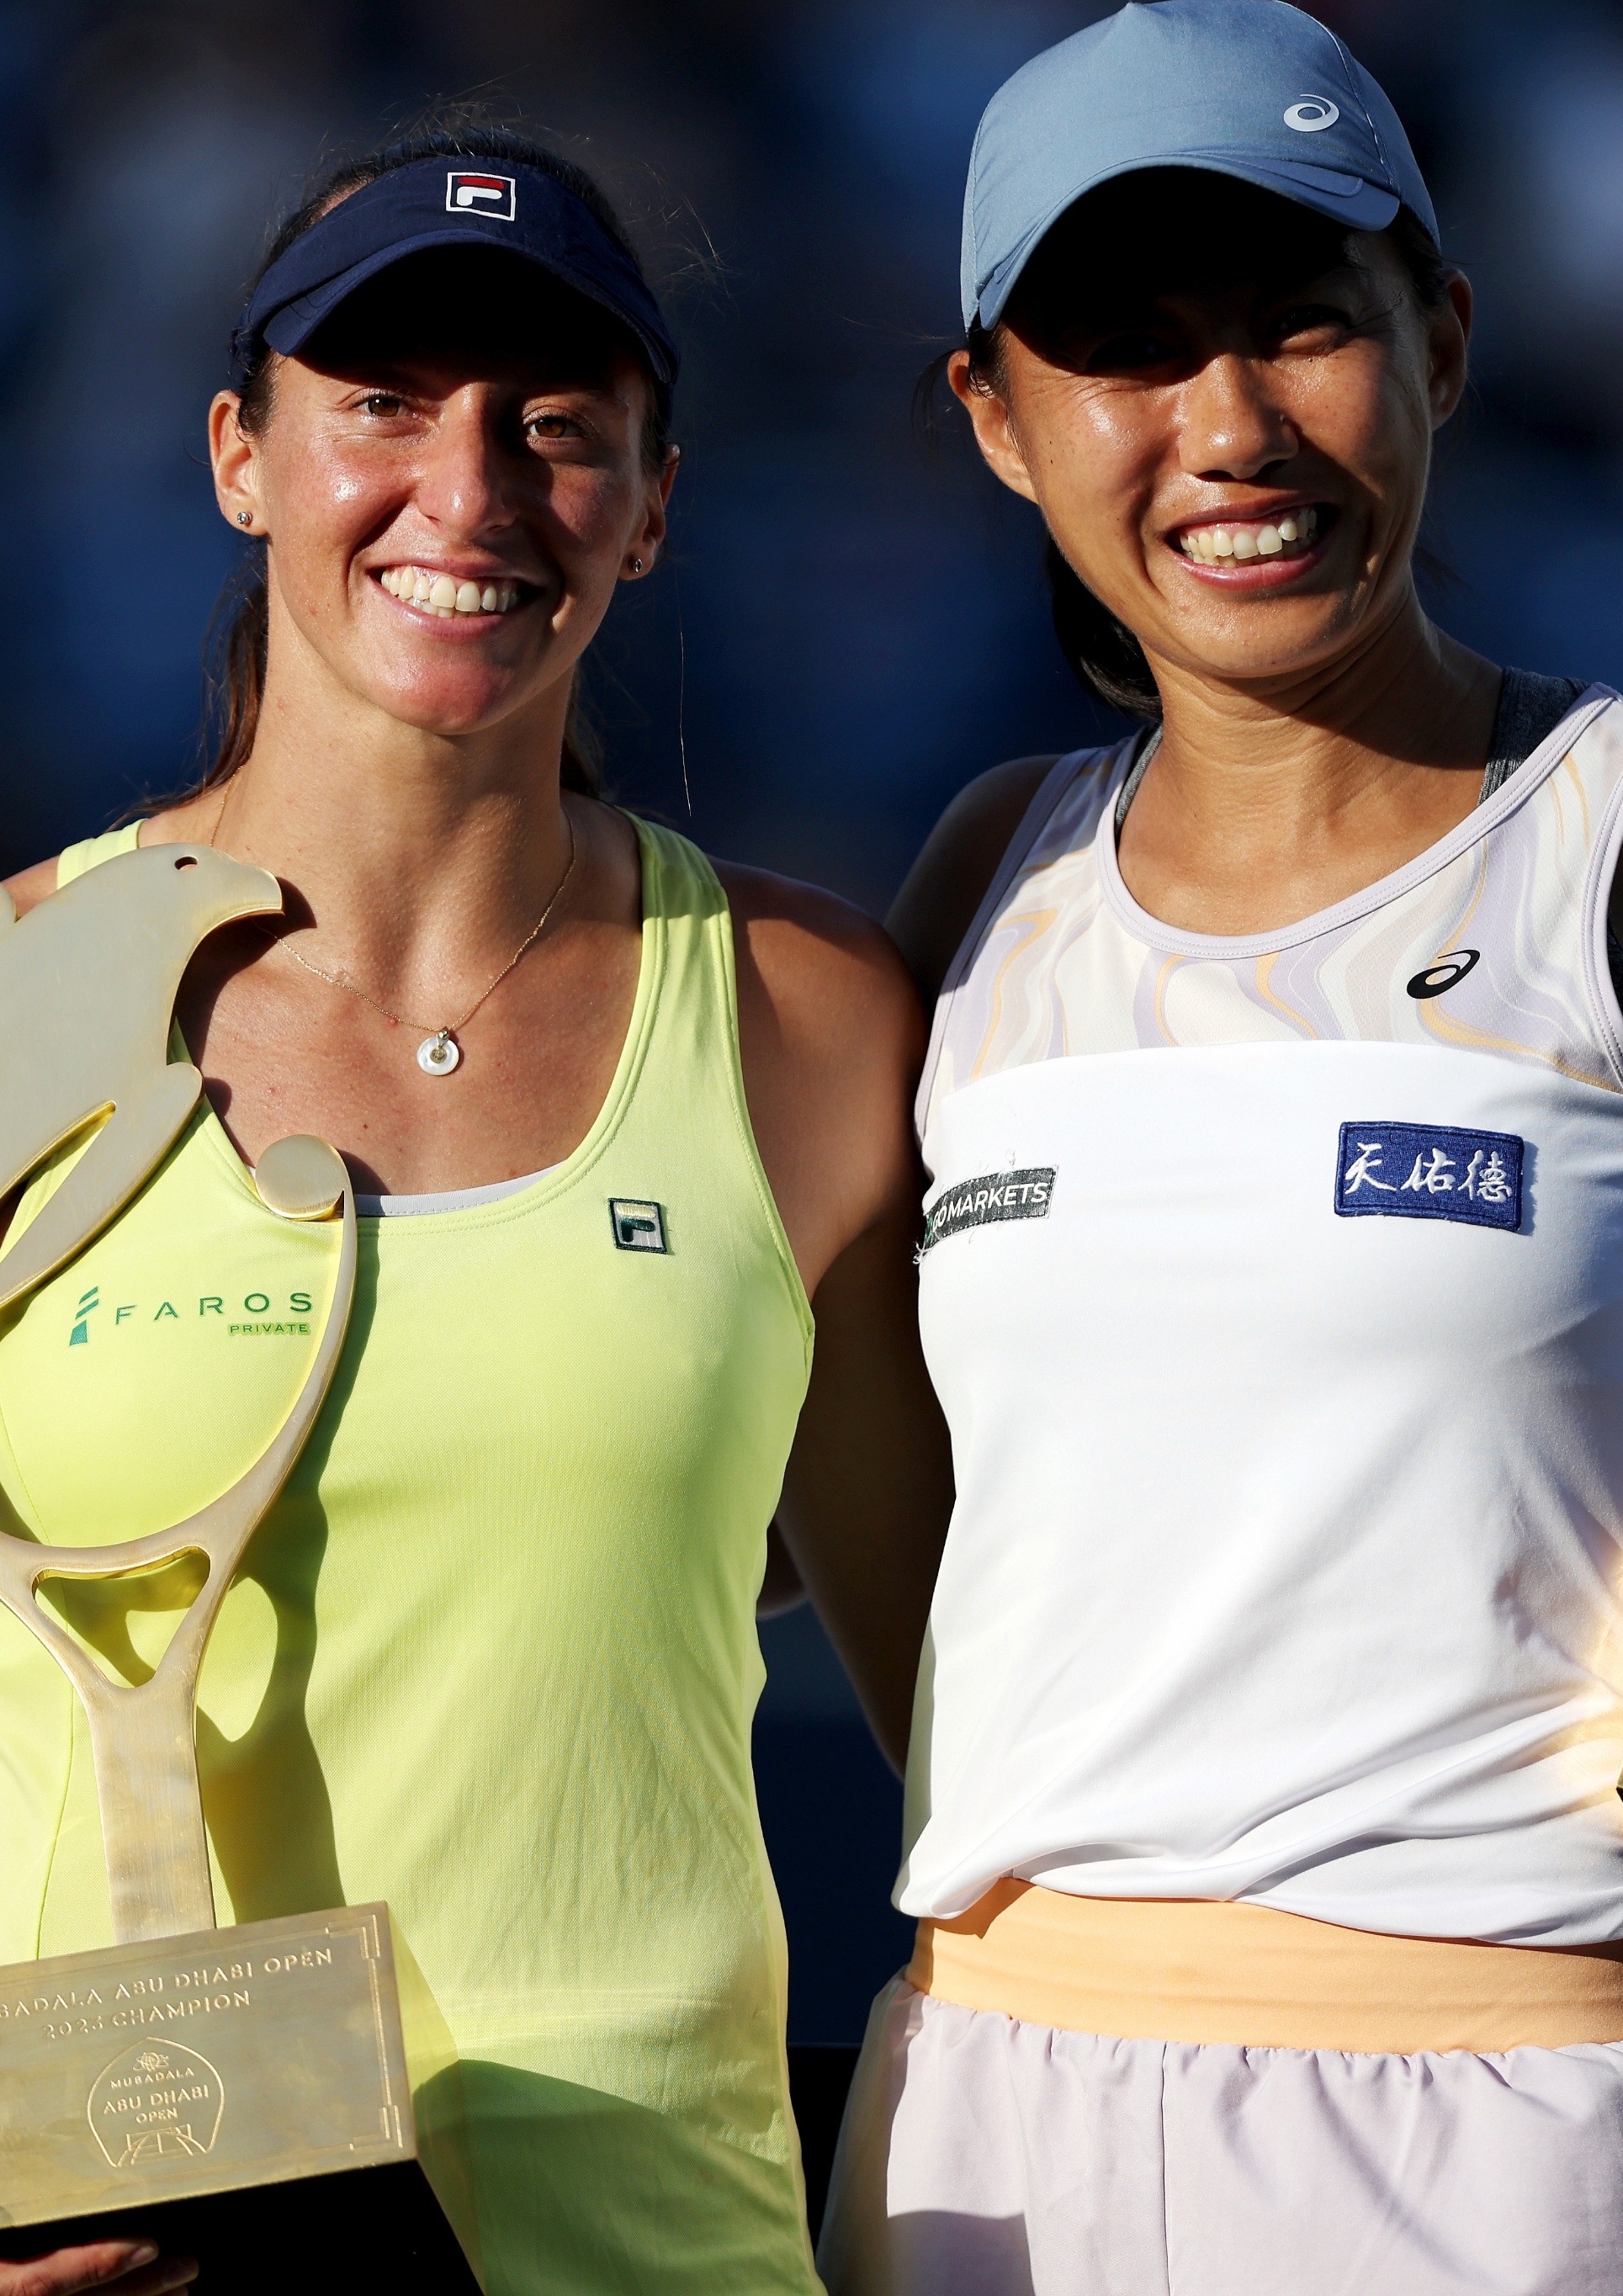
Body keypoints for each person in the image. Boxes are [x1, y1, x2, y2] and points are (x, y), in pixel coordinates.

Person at [819, 6, 1623, 2291]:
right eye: (1127, 348)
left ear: (1444, 337)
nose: (1231, 428)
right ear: (994, 422)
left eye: (1305, 323)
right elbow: (875, 1520)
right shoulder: (982, 882)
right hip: (990, 2117)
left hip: (1520, 2134)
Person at [0, 126, 948, 2296]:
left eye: (554, 425)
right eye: (384, 404)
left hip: (659, 2252)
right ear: (243, 456)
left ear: (656, 500)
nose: (473, 486)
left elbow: (975, 1751)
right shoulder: (14, 999)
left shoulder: (809, 1024)